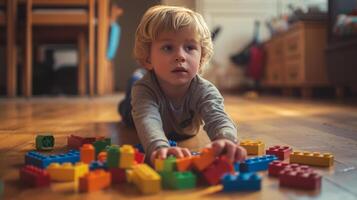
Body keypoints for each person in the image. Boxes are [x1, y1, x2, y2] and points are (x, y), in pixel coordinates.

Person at [126, 5, 247, 164]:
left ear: (201, 57)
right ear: (148, 58)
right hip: (134, 110)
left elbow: (218, 117)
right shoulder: (143, 90)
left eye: (190, 47)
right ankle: (135, 78)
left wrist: (226, 139)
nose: (180, 56)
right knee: (131, 94)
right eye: (168, 47)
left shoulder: (204, 90)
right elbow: (147, 120)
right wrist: (158, 147)